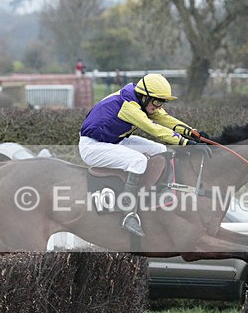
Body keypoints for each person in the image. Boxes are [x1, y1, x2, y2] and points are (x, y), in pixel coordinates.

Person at [79, 73, 207, 237]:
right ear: (145, 96)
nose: (159, 106)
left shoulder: (142, 101)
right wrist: (185, 143)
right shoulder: (129, 107)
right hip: (93, 146)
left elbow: (166, 120)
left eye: (162, 102)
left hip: (116, 140)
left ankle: (155, 194)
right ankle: (128, 213)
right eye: (157, 101)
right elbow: (155, 129)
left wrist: (193, 134)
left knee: (160, 150)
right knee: (138, 161)